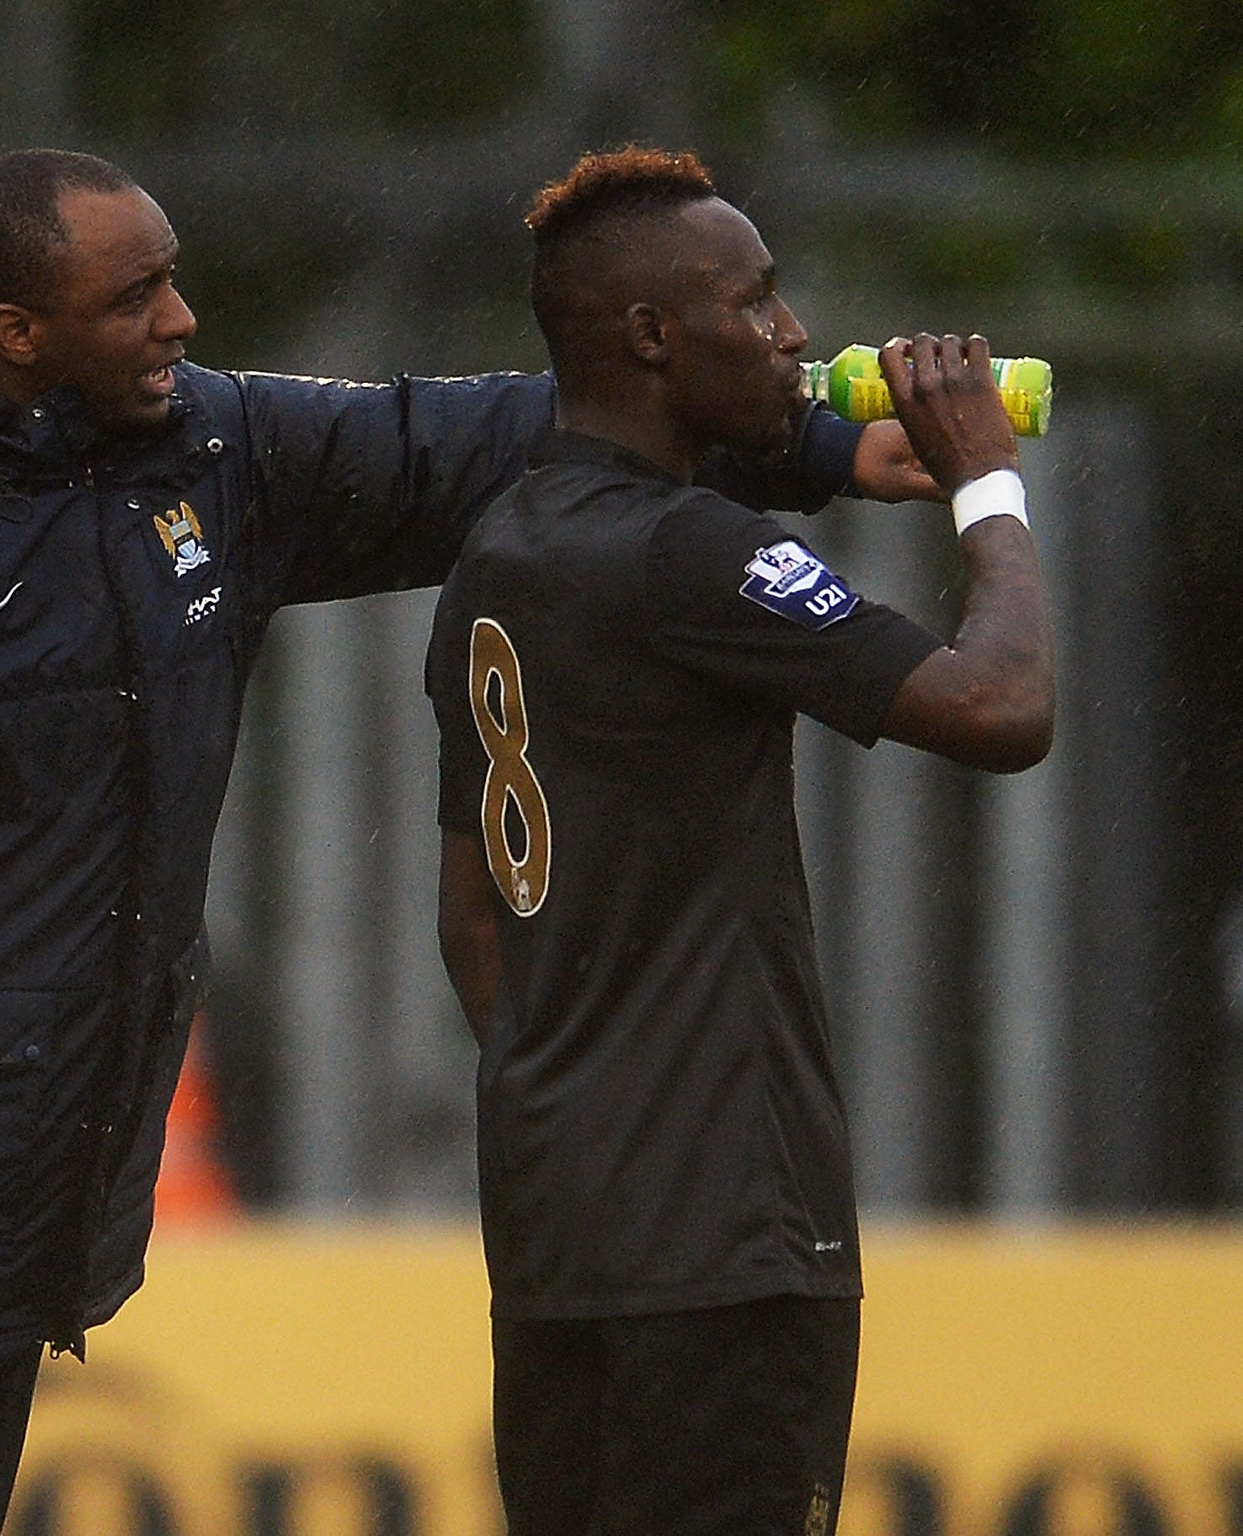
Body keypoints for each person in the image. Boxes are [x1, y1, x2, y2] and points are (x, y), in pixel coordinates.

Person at [0, 146, 940, 1536]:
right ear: (16, 334)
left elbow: (478, 433)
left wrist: (821, 447)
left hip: (7, 1229)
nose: (181, 322)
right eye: (138, 298)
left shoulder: (199, 454)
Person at [425, 147, 1055, 1536]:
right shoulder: (686, 552)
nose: (791, 334)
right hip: (724, 1231)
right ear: (653, 335)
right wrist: (988, 492)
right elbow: (1003, 707)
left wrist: (576, 1093)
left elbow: (473, 910)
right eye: (758, 299)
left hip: (561, 1231)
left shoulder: (501, 552)